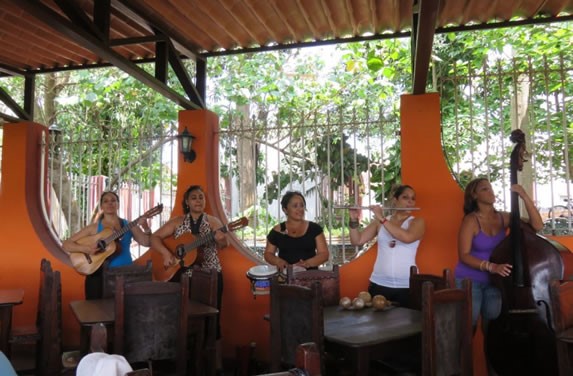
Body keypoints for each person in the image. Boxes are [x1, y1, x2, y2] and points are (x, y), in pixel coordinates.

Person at [150, 185, 228, 373]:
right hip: (182, 275)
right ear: (187, 202)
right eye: (194, 197)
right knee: (180, 317)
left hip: (209, 275)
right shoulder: (177, 222)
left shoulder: (213, 221)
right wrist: (166, 255)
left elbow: (225, 244)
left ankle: (213, 366)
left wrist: (219, 238)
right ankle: (180, 361)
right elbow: (154, 238)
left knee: (211, 319)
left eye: (201, 197)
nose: (198, 201)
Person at [454, 178, 543, 332]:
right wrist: (491, 266)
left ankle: (490, 356)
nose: (491, 191)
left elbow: (537, 225)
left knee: (492, 326)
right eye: (484, 189)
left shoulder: (503, 217)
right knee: (469, 326)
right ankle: (462, 356)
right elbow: (464, 255)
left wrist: (523, 195)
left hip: (495, 281)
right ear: (474, 196)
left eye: (490, 188)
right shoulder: (471, 220)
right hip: (469, 280)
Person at [62, 191, 151, 300]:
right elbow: (66, 244)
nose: (110, 203)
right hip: (99, 275)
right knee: (97, 312)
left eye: (113, 200)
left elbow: (146, 242)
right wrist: (86, 249)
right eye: (106, 201)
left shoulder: (129, 225)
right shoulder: (94, 228)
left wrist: (146, 227)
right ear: (102, 206)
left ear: (118, 204)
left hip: (126, 274)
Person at [348, 184, 425, 308]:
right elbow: (357, 240)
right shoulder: (380, 222)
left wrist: (381, 218)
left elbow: (406, 237)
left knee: (409, 326)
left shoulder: (417, 222)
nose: (410, 201)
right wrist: (353, 220)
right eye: (405, 197)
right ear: (395, 200)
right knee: (378, 325)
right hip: (379, 283)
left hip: (407, 285)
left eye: (413, 198)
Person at [264, 191, 329, 270]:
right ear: (285, 210)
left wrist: (307, 263)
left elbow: (324, 254)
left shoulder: (315, 229)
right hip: (285, 277)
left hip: (310, 277)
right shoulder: (277, 231)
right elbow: (268, 254)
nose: (300, 209)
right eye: (295, 206)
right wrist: (278, 261)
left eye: (302, 205)